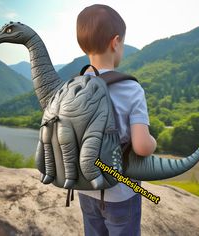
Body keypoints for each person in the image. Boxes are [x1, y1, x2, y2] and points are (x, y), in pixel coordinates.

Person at [76, 4, 157, 236]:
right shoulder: (130, 88)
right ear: (116, 42)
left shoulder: (74, 86)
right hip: (121, 191)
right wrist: (152, 142)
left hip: (85, 186)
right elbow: (142, 147)